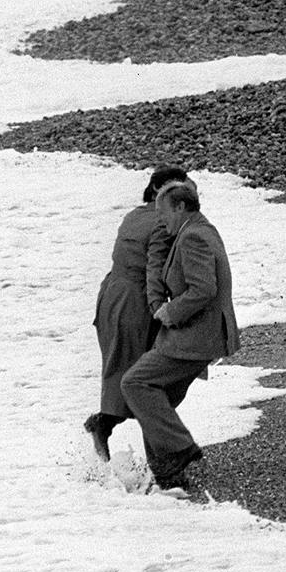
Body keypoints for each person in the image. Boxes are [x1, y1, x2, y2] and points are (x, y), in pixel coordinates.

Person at [121, 182, 240, 494]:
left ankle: (180, 451)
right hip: (202, 335)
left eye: (164, 213)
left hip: (194, 337)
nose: (162, 221)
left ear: (180, 207)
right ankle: (167, 478)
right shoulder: (200, 230)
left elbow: (204, 289)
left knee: (136, 383)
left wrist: (170, 313)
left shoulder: (193, 237)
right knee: (156, 400)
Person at [84, 166, 191, 462]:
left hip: (111, 296)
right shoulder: (161, 221)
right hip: (135, 302)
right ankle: (164, 461)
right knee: (148, 380)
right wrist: (168, 307)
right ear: (159, 189)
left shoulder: (133, 215)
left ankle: (107, 426)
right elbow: (155, 271)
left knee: (123, 372)